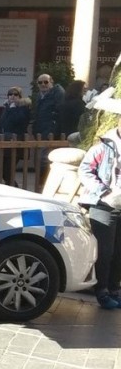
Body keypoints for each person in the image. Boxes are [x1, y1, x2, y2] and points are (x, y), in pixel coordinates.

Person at [77, 124, 121, 309]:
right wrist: (103, 192)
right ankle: (101, 291)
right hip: (104, 205)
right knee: (105, 251)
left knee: (119, 252)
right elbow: (85, 170)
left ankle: (114, 290)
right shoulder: (103, 147)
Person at [0, 86, 31, 185]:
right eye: (10, 94)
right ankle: (12, 185)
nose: (12, 96)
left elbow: (19, 120)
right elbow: (1, 124)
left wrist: (13, 108)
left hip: (16, 141)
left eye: (15, 94)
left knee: (9, 168)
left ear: (20, 96)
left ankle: (12, 186)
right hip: (3, 141)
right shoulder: (7, 107)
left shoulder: (23, 108)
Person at [32, 73, 63, 138]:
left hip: (51, 132)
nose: (43, 84)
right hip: (40, 131)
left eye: (46, 82)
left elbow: (60, 112)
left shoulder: (58, 94)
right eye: (40, 82)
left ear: (51, 83)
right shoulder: (39, 95)